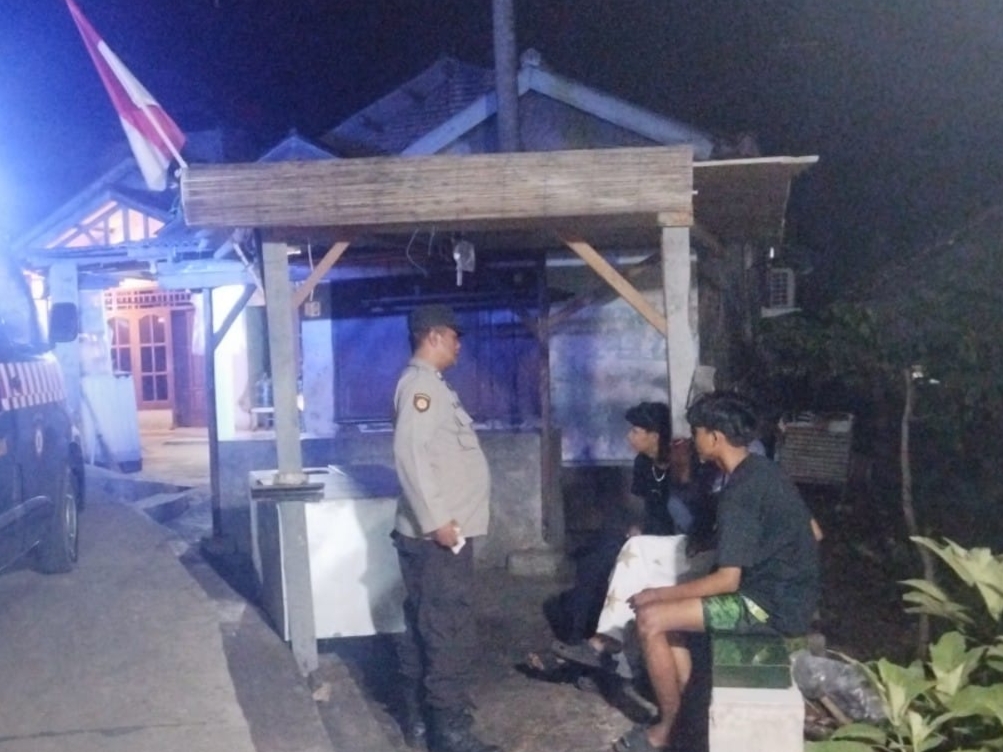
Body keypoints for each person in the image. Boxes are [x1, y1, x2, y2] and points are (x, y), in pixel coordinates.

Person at [609, 392, 820, 752]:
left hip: (768, 608)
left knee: (649, 618)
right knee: (669, 615)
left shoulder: (739, 491)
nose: (692, 440)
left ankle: (668, 729)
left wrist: (655, 594)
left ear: (715, 437)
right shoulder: (763, 470)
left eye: (697, 432)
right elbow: (815, 532)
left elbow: (727, 580)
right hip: (786, 596)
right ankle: (691, 716)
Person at [530, 402, 713, 673]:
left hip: (680, 545)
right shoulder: (643, 464)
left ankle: (588, 654)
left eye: (636, 431)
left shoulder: (687, 463)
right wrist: (638, 528)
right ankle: (580, 644)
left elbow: (693, 517)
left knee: (614, 560)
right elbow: (649, 510)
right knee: (595, 559)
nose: (629, 437)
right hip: (654, 537)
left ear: (654, 435)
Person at [391, 304, 501, 752]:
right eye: (455, 336)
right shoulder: (422, 387)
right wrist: (436, 519)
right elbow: (411, 456)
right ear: (433, 336)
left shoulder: (430, 385)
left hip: (438, 534)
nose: (459, 344)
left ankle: (422, 722)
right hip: (438, 537)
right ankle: (450, 734)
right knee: (448, 629)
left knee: (429, 625)